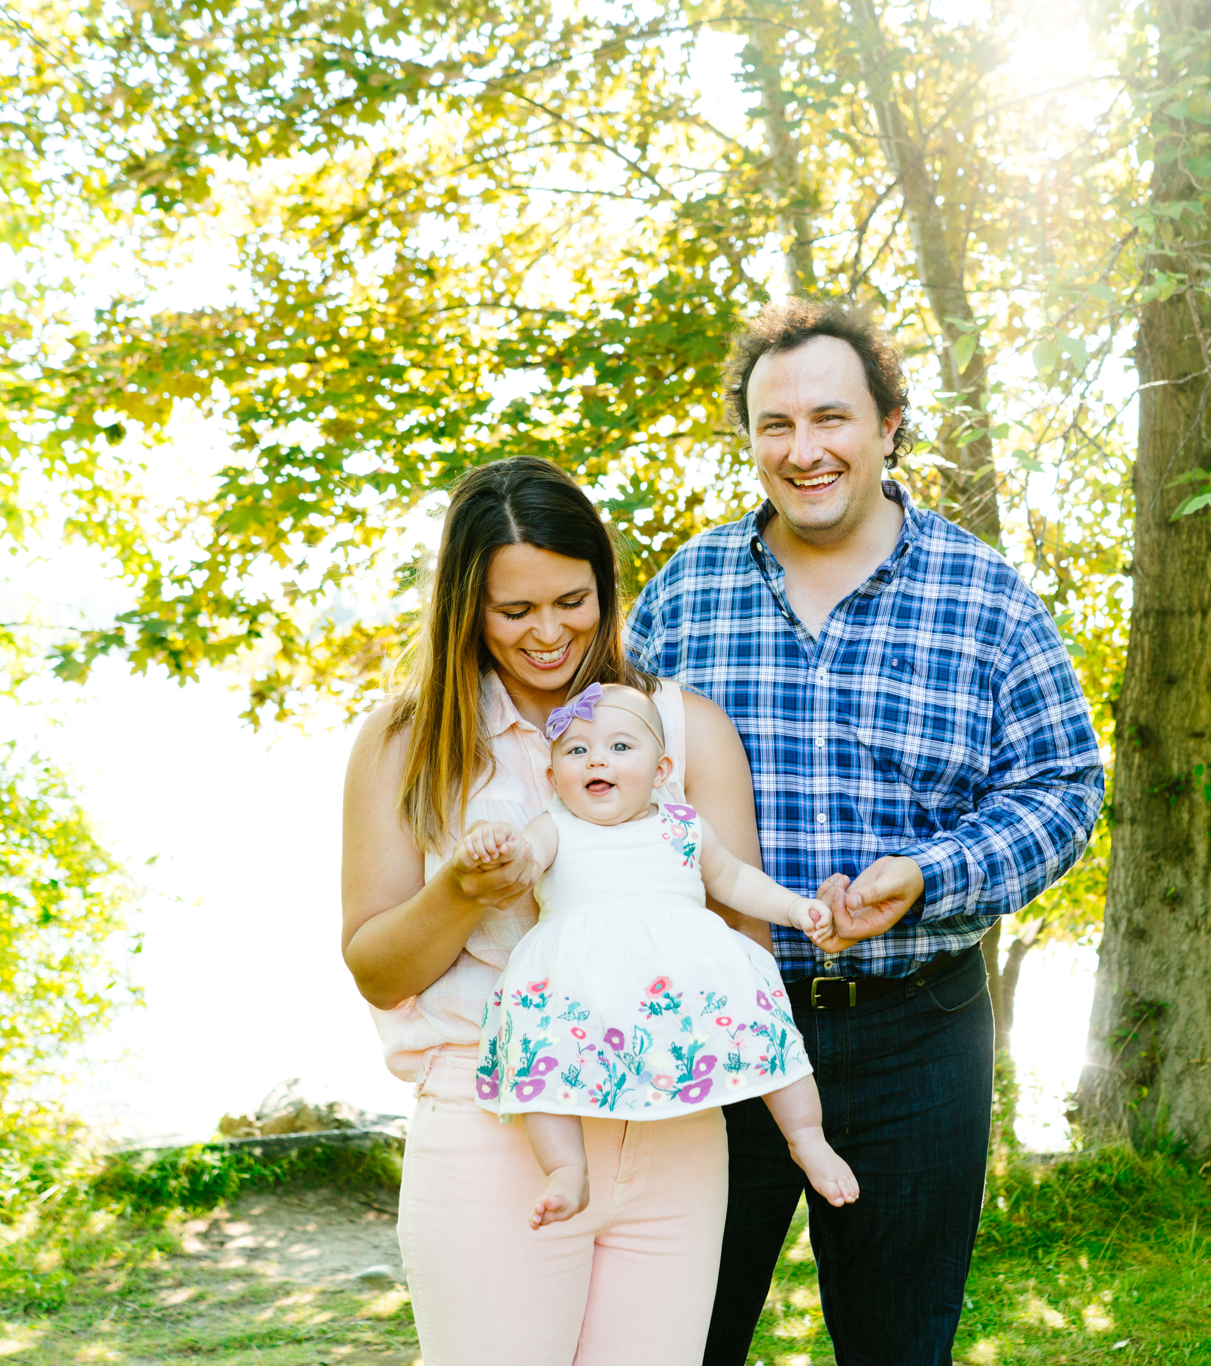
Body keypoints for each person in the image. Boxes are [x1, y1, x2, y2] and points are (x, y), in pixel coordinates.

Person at [626, 300, 1105, 1366]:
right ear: (746, 437)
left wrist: (931, 874)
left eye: (831, 418)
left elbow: (1063, 787)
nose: (804, 451)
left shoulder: (982, 595)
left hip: (914, 1032)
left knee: (897, 1347)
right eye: (773, 425)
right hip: (716, 1033)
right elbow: (597, 782)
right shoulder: (680, 599)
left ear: (888, 423)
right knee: (668, 1339)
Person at [340, 456, 766, 1365]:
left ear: (605, 586)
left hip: (675, 1123)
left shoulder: (686, 730)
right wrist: (456, 894)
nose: (548, 634)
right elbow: (375, 968)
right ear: (466, 608)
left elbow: (744, 944)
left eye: (572, 600)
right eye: (513, 610)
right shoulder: (405, 742)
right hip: (493, 1119)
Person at [455, 681, 859, 1229]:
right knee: (542, 1061)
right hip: (578, 981)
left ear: (662, 770)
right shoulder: (555, 828)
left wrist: (794, 909)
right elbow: (524, 857)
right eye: (577, 751)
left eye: (621, 748)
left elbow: (735, 879)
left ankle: (806, 1136)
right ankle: (566, 1169)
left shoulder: (683, 826)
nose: (598, 758)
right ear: (553, 780)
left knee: (766, 1033)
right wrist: (494, 840)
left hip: (685, 975)